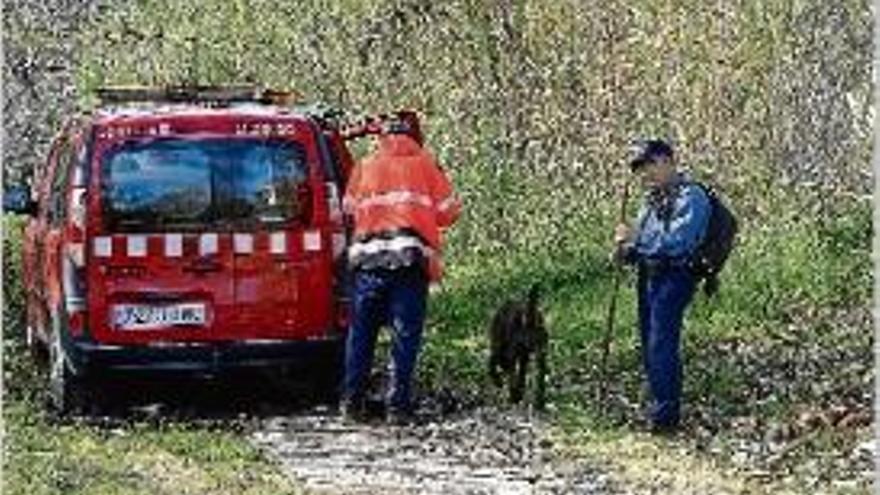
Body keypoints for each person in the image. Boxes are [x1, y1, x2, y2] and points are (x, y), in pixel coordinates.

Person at [340, 117, 461, 424]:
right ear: (414, 138)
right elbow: (449, 212)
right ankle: (397, 406)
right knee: (405, 335)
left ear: (382, 138)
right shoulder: (425, 163)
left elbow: (348, 208)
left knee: (361, 334)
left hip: (367, 260)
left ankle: (352, 402)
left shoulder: (365, 165)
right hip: (409, 260)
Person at [614, 139, 711, 433]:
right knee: (649, 342)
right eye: (642, 168)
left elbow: (679, 242)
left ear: (668, 160)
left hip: (677, 276)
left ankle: (666, 417)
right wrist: (625, 251)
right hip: (649, 276)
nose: (646, 174)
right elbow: (645, 244)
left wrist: (636, 240)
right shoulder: (651, 200)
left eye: (650, 165)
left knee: (661, 342)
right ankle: (660, 406)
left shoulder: (692, 196)